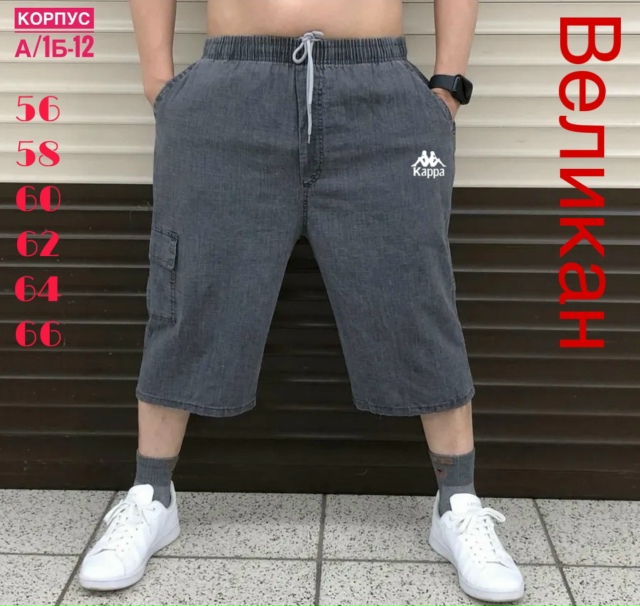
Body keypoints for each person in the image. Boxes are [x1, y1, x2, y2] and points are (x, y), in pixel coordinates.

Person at [78, 0, 525, 602]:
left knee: (415, 291)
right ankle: (150, 495)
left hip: (379, 91)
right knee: (192, 288)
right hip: (230, 88)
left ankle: (458, 503)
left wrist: (446, 86)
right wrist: (159, 80)